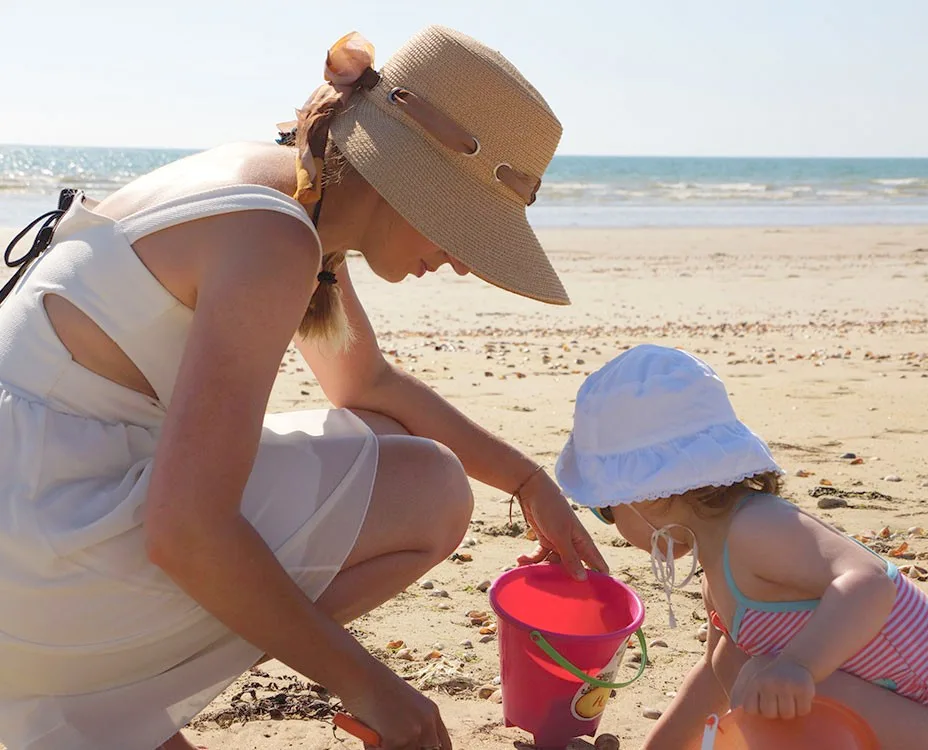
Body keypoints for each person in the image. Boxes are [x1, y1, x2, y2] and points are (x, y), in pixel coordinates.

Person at [0, 26, 607, 750]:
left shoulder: (286, 196)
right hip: (38, 558)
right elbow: (185, 530)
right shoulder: (276, 236)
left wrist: (529, 480)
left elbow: (363, 382)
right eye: (465, 229)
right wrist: (377, 691)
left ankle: (118, 705)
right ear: (408, 182)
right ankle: (118, 702)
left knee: (391, 449)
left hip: (33, 519)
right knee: (432, 489)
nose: (464, 264)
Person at [554, 345, 928, 750]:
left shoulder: (755, 526)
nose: (611, 527)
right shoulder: (718, 574)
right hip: (895, 726)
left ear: (648, 493)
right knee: (737, 667)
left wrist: (799, 666)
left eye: (605, 510)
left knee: (763, 675)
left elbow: (871, 580)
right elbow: (713, 678)